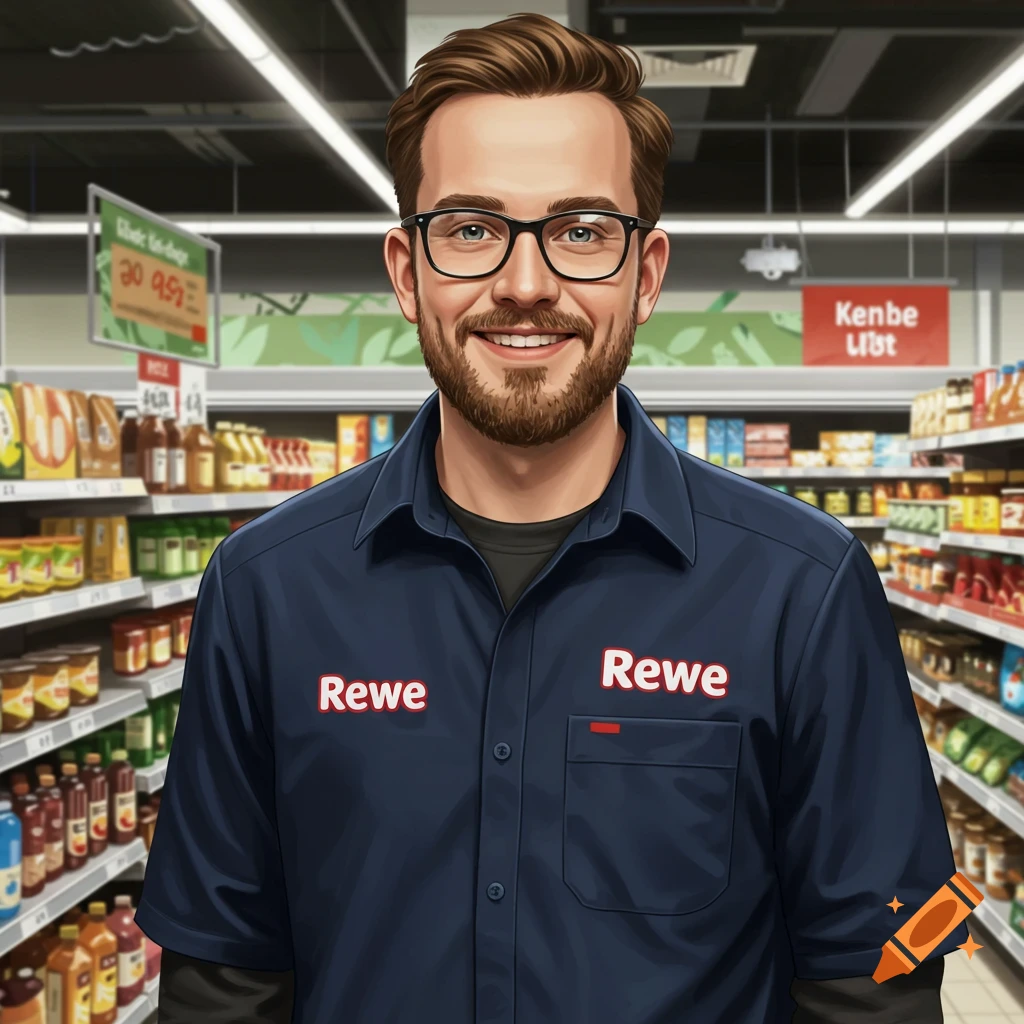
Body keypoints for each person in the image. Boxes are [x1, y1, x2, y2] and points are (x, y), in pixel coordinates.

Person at [142, 14, 962, 1023]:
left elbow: (869, 980)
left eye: (580, 230)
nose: (525, 286)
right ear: (407, 271)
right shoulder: (267, 585)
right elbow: (224, 982)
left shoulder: (801, 586)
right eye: (472, 229)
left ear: (644, 273)